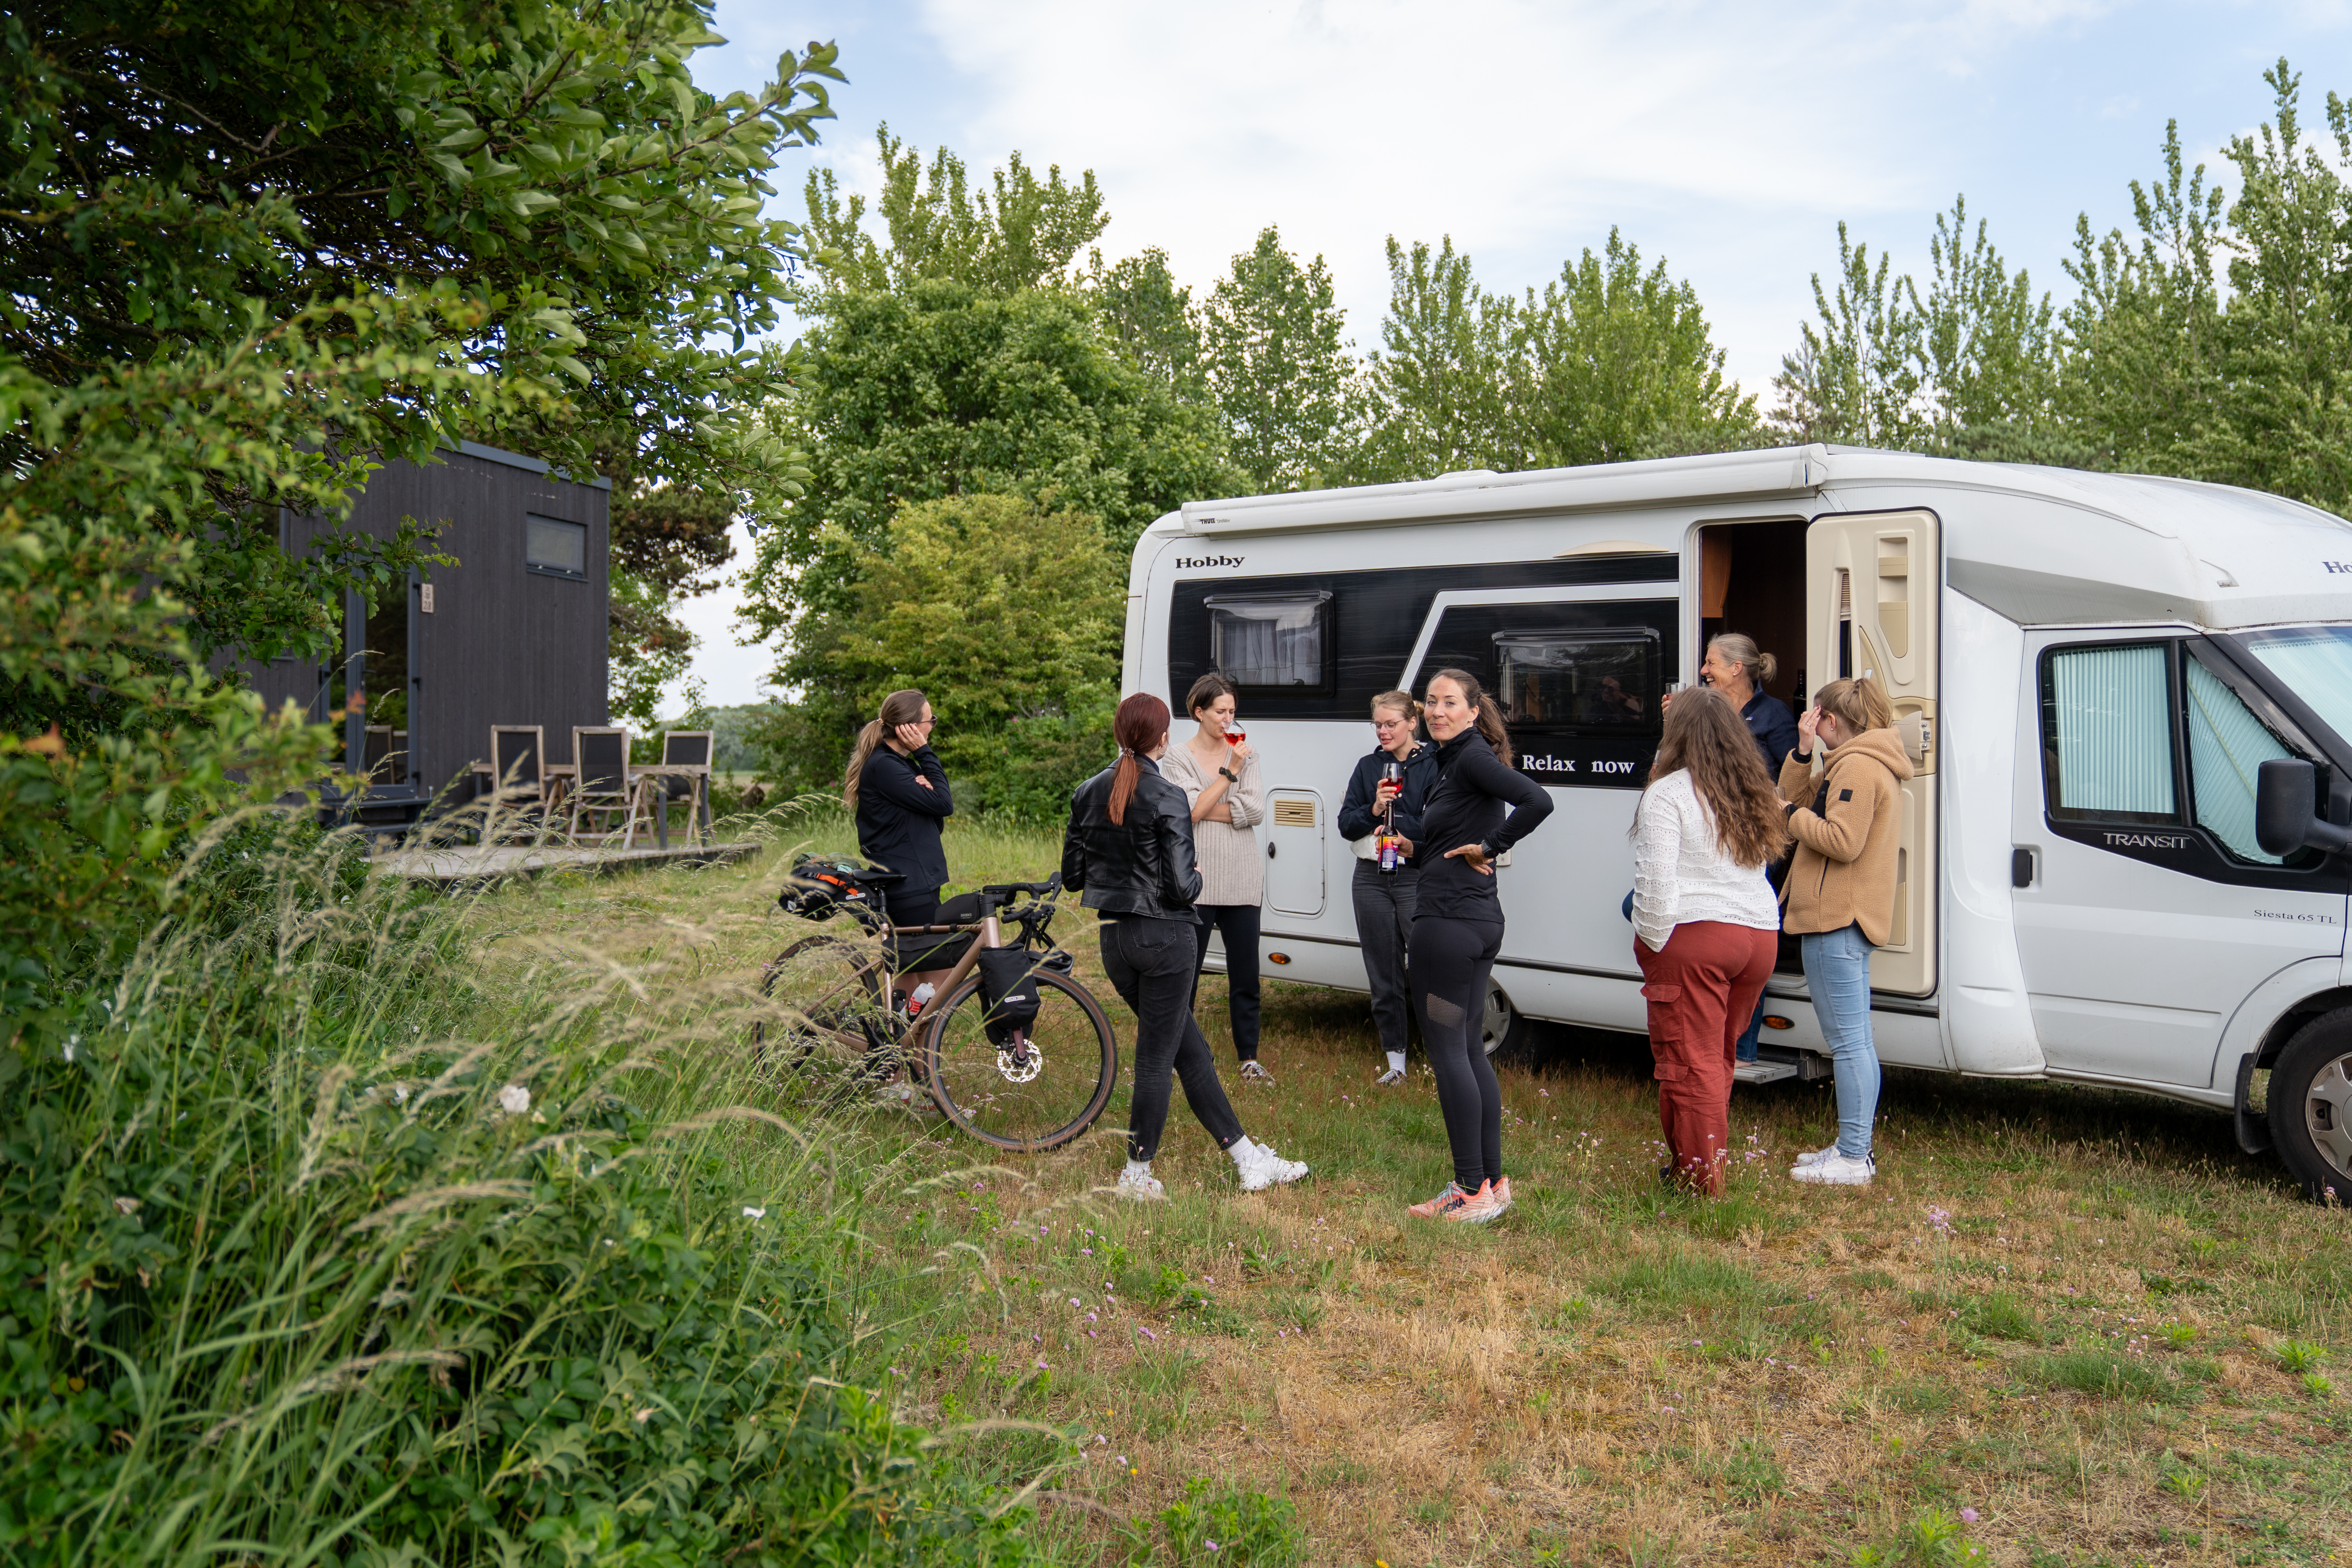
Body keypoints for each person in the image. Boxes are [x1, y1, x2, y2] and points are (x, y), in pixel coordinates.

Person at [1062, 693, 1310, 1200]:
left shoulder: (1086, 791)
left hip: (1115, 940)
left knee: (1190, 1049)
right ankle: (1136, 1172)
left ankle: (1248, 1158)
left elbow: (1072, 876)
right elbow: (1181, 887)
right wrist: (1194, 877)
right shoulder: (1166, 793)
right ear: (1162, 738)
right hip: (1166, 937)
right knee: (1158, 1056)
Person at [1404, 667, 1554, 1224]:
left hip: (1447, 927)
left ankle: (1468, 1191)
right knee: (1468, 1050)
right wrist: (1415, 844)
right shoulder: (1450, 763)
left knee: (1449, 1054)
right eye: (1430, 703)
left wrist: (1491, 844)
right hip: (1472, 919)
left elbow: (1537, 801)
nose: (1436, 711)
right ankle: (1492, 1182)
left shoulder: (1470, 758)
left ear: (1472, 711)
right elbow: (1444, 843)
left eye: (1449, 703)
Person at [1629, 687, 1787, 1195]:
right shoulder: (1751, 789)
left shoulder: (1669, 793)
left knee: (1687, 1063)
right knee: (1715, 1060)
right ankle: (1688, 1166)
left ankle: (1700, 1184)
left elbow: (1653, 884)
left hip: (1696, 938)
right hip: (1758, 937)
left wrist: (1650, 945)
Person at [1775, 676, 1912, 1187]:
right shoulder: (1850, 763)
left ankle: (1853, 1157)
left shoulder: (1857, 765)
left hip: (1838, 919)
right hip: (1837, 919)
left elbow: (1841, 840)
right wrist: (1801, 751)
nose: (1813, 725)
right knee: (1851, 1041)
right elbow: (1796, 798)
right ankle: (1851, 1148)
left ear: (1832, 719)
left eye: (1816, 719)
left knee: (1849, 1044)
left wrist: (1787, 815)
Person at [1159, 674, 1272, 1080]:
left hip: (1242, 876)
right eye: (1220, 711)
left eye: (1232, 711)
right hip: (1197, 878)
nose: (1228, 719)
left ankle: (1249, 1058)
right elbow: (1186, 810)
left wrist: (1208, 803)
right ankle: (1178, 1055)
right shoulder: (1176, 757)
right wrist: (1228, 776)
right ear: (1199, 712)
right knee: (1186, 976)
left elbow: (1256, 810)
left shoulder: (1247, 752)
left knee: (1245, 975)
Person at [1700, 633, 1800, 1064]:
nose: (1704, 671)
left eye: (1711, 663)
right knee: (1640, 904)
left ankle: (1740, 1049)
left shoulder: (1774, 715)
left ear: (1737, 669)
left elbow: (1795, 775)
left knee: (1748, 935)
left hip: (1757, 842)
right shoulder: (1708, 710)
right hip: (1712, 838)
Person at [1338, 691, 1436, 1086]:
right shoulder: (1368, 767)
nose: (1383, 731)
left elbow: (1436, 825)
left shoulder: (1434, 763)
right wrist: (1376, 809)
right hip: (1370, 877)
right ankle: (1396, 1064)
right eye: (1377, 724)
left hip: (1414, 874)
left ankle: (1444, 1056)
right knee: (1383, 970)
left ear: (1413, 722)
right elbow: (1347, 824)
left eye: (1390, 724)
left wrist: (1399, 825)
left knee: (1431, 967)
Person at [845, 688, 958, 998]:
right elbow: (945, 804)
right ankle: (920, 1047)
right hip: (910, 887)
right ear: (908, 727)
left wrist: (928, 784)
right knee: (941, 981)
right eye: (929, 720)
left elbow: (935, 820)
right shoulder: (887, 767)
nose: (932, 726)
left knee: (909, 974)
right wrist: (925, 757)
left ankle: (899, 1044)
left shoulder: (898, 765)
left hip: (912, 882)